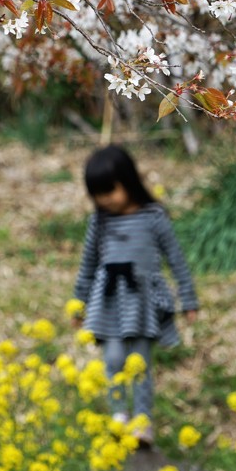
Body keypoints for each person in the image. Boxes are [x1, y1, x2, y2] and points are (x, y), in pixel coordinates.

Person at [72, 144, 199, 444]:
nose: (105, 199)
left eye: (110, 191)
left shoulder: (154, 217)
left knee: (140, 363)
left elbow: (176, 260)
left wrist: (189, 299)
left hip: (142, 302)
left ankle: (143, 422)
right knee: (113, 359)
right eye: (98, 194)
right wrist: (79, 304)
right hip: (108, 301)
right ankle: (119, 415)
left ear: (129, 182)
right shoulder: (99, 222)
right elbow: (88, 264)